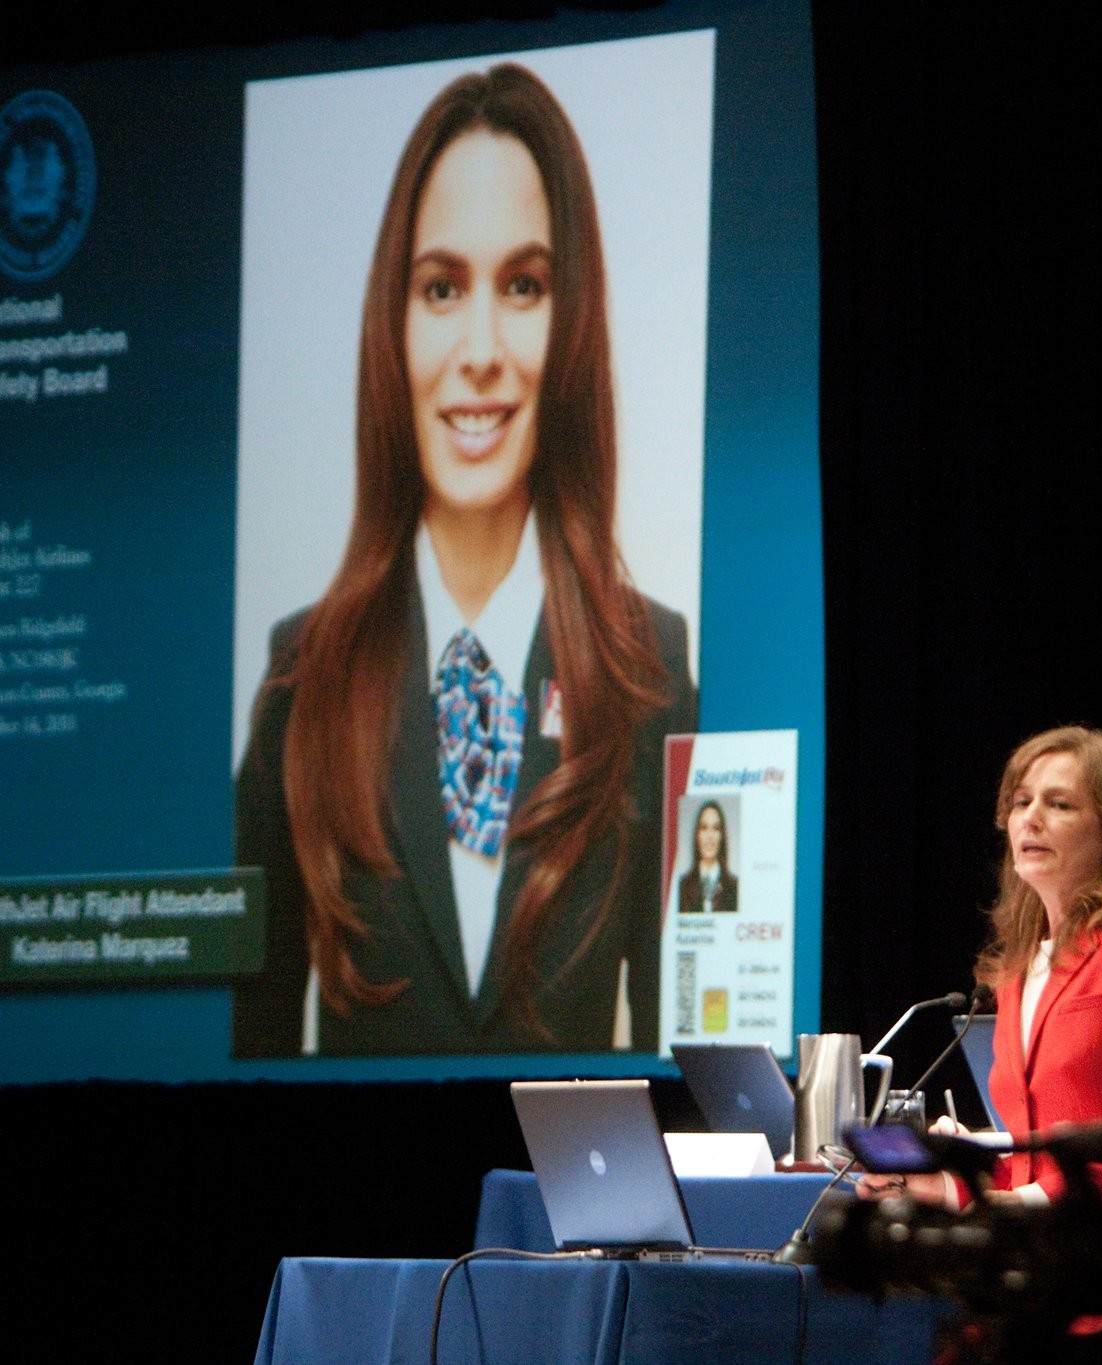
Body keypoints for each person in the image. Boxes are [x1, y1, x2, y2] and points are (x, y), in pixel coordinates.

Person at [232, 64, 696, 1057]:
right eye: (441, 287)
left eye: (522, 285)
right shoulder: (298, 676)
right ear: (390, 325)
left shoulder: (649, 667)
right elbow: (248, 1043)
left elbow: (678, 1056)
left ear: (568, 320)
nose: (480, 347)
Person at [860, 726, 1102, 1360]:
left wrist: (1023, 1203)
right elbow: (1032, 1157)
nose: (1031, 818)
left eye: (1059, 804)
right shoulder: (1020, 968)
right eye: (1022, 801)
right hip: (1029, 1297)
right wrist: (944, 1187)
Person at [676, 800, 738, 914]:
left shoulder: (735, 888)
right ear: (697, 835)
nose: (710, 836)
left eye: (716, 828)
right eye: (704, 828)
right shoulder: (681, 888)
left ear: (722, 836)